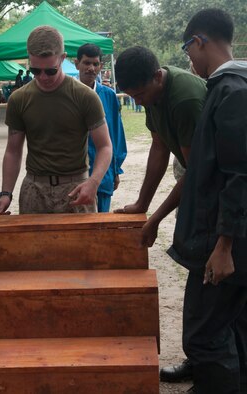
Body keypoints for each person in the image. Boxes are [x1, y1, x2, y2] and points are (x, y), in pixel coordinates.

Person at [114, 46, 207, 383]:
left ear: (157, 77)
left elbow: (194, 173)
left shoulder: (184, 100)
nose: (137, 102)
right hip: (197, 181)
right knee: (199, 279)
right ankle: (200, 361)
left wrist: (155, 219)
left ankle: (213, 369)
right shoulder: (154, 96)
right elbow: (158, 147)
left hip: (215, 191)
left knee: (209, 281)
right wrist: (142, 204)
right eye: (131, 96)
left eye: (139, 95)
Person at [168, 9, 247, 394]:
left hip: (225, 243)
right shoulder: (228, 86)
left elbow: (239, 175)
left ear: (198, 41)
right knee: (234, 325)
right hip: (225, 236)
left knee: (203, 336)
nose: (190, 61)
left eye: (188, 51)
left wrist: (224, 245)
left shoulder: (233, 90)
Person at [0, 25, 112, 215]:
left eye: (50, 70)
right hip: (35, 189)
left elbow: (105, 146)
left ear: (63, 59)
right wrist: (6, 193)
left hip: (75, 188)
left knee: (82, 245)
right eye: (35, 70)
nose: (42, 77)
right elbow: (13, 151)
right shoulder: (19, 99)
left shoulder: (85, 96)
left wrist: (93, 182)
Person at [75, 43, 127, 212]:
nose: (91, 68)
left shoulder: (109, 95)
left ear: (101, 66)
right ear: (77, 64)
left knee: (100, 224)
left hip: (103, 175)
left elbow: (116, 135)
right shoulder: (67, 94)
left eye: (95, 64)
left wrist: (116, 169)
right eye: (87, 63)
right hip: (75, 176)